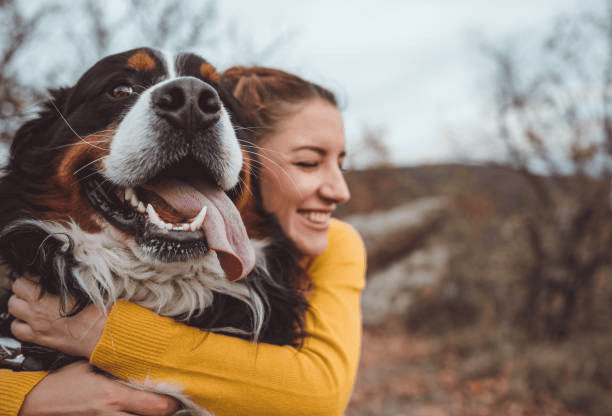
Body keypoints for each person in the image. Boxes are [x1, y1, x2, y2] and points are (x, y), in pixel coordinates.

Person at [0, 66, 366, 416]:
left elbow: (320, 394)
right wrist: (22, 397)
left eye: (341, 163)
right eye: (307, 163)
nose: (341, 191)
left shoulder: (336, 243)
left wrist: (103, 333)